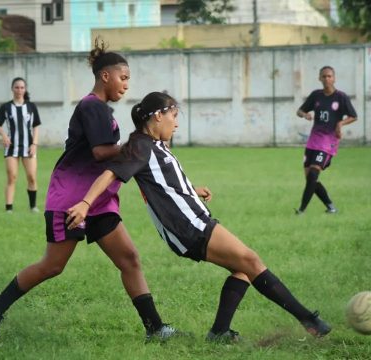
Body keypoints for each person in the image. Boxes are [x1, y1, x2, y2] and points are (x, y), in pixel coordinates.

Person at [66, 91, 331, 342]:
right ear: (158, 115)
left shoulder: (153, 145)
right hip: (188, 226)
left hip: (194, 220)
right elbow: (110, 173)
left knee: (242, 270)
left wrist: (193, 190)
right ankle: (308, 320)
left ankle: (220, 333)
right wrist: (86, 203)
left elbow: (163, 182)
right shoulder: (140, 145)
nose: (176, 124)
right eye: (174, 116)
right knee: (250, 260)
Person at [0, 43, 177, 342]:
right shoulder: (91, 106)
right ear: (105, 76)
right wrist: (134, 146)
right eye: (123, 77)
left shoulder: (102, 110)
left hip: (98, 201)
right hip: (71, 199)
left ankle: (155, 328)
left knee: (130, 259)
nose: (127, 84)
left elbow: (114, 159)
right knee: (53, 265)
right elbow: (100, 152)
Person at [295, 66, 357, 214]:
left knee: (313, 174)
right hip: (313, 141)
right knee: (310, 179)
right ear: (319, 78)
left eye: (329, 76)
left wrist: (340, 123)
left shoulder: (341, 97)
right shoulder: (316, 95)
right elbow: (299, 111)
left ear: (334, 78)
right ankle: (331, 207)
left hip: (328, 142)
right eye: (324, 76)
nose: (327, 79)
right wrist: (305, 115)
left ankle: (301, 210)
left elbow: (353, 116)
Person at [0, 77, 41, 213]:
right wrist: (3, 135)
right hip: (12, 147)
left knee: (32, 176)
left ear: (25, 89)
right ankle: (9, 208)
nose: (19, 90)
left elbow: (36, 126)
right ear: (12, 89)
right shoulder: (6, 107)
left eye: (22, 87)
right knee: (12, 177)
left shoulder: (31, 106)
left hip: (28, 146)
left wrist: (34, 144)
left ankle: (33, 206)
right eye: (16, 87)